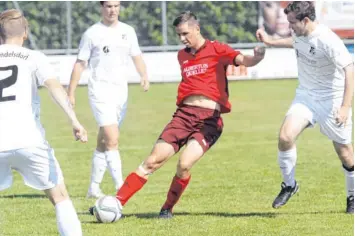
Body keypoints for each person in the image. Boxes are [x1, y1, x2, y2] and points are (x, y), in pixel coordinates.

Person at [90, 11, 265, 218]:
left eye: (185, 33)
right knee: (152, 161)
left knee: (184, 164)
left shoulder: (217, 49)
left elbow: (244, 59)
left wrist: (258, 56)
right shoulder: (182, 55)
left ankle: (167, 209)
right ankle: (116, 203)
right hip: (183, 117)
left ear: (196, 29)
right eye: (179, 35)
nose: (182, 39)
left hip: (208, 121)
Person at [256, 1, 354, 213]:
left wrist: (345, 107)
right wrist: (271, 42)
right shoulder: (300, 35)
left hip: (332, 100)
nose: (289, 26)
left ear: (306, 20)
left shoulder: (328, 40)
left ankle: (352, 196)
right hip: (306, 97)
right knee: (285, 137)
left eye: (292, 22)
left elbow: (350, 70)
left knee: (345, 153)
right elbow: (294, 42)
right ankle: (289, 185)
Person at [0, 9, 88, 235]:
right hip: (28, 140)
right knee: (60, 196)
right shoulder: (34, 58)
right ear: (26, 33)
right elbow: (55, 88)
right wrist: (75, 121)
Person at [68, 1, 149, 198]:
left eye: (116, 6)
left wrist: (144, 76)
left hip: (120, 93)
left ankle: (93, 188)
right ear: (101, 8)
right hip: (100, 91)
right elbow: (80, 63)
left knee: (104, 141)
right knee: (112, 139)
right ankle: (120, 186)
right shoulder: (92, 33)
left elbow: (136, 55)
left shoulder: (128, 31)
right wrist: (71, 91)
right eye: (108, 6)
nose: (112, 10)